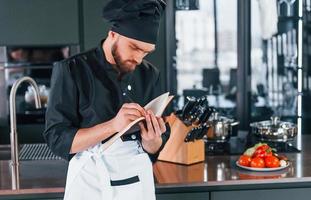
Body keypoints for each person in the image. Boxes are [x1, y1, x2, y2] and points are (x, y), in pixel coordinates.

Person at [43, 0, 170, 199]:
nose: (139, 58)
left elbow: (156, 146)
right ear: (113, 34)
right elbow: (57, 138)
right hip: (90, 183)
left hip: (136, 184)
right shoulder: (71, 70)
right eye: (134, 48)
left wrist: (152, 141)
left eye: (145, 52)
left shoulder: (151, 75)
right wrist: (113, 126)